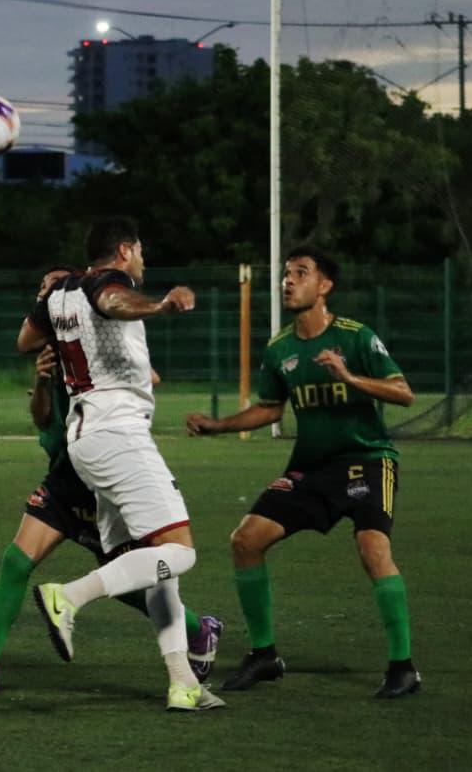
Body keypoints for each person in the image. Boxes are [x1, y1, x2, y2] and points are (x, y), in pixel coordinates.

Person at [0, 267, 223, 698]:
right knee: (16, 561)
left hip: (103, 476)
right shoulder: (53, 351)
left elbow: (149, 375)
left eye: (53, 286)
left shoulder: (91, 343)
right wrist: (41, 379)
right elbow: (41, 417)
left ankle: (198, 630)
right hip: (65, 475)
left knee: (131, 582)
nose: (45, 292)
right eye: (42, 288)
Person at [185, 246, 420, 699]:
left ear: (325, 286)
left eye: (300, 273)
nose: (288, 281)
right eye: (286, 273)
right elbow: (271, 408)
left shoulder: (356, 337)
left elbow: (403, 392)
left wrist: (350, 378)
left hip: (368, 459)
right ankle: (263, 655)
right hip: (311, 468)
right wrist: (219, 425)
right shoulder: (280, 348)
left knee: (373, 548)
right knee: (246, 540)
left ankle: (403, 667)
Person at [19, 217, 223, 712]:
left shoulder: (59, 293)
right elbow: (112, 301)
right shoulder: (107, 283)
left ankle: (182, 682)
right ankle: (69, 596)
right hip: (118, 434)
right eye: (141, 251)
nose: (143, 261)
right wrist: (160, 305)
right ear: (126, 250)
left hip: (84, 439)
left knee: (156, 565)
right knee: (181, 552)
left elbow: (26, 339)